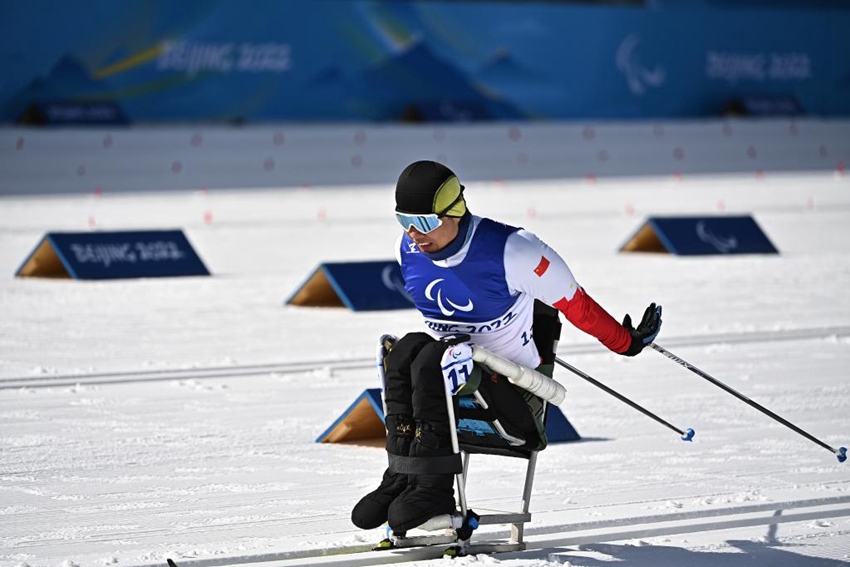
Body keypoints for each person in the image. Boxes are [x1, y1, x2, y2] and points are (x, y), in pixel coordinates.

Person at [351, 160, 661, 534]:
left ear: (455, 211)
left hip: (515, 398)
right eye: (404, 221)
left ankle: (435, 491)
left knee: (431, 355)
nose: (415, 234)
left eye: (427, 222)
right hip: (453, 387)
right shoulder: (411, 249)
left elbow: (576, 304)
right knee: (406, 351)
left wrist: (625, 343)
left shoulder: (514, 251)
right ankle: (403, 475)